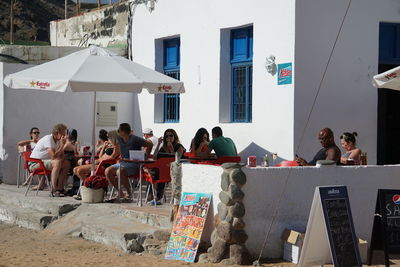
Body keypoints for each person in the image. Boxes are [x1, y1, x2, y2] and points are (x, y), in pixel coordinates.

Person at [105, 123, 153, 200]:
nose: (117, 132)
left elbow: (150, 144)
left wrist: (145, 156)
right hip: (123, 162)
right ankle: (120, 193)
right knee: (107, 171)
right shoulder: (119, 139)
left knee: (119, 171)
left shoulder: (135, 139)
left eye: (119, 130)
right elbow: (110, 134)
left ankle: (128, 193)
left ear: (123, 132)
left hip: (134, 164)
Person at [29, 123, 70, 197]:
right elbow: (54, 157)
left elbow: (61, 156)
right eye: (63, 134)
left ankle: (60, 188)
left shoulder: (58, 141)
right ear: (57, 133)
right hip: (34, 163)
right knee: (57, 163)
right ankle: (53, 190)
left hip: (43, 162)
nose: (64, 136)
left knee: (66, 163)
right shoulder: (48, 139)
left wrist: (62, 146)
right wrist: (62, 146)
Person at [147, 129, 186, 204]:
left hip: (174, 171)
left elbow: (177, 159)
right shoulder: (163, 148)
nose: (169, 137)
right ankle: (155, 196)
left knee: (159, 173)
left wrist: (171, 149)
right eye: (166, 136)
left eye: (171, 135)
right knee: (152, 173)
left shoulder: (179, 146)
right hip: (164, 171)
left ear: (174, 137)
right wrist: (158, 144)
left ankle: (158, 197)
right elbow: (155, 157)